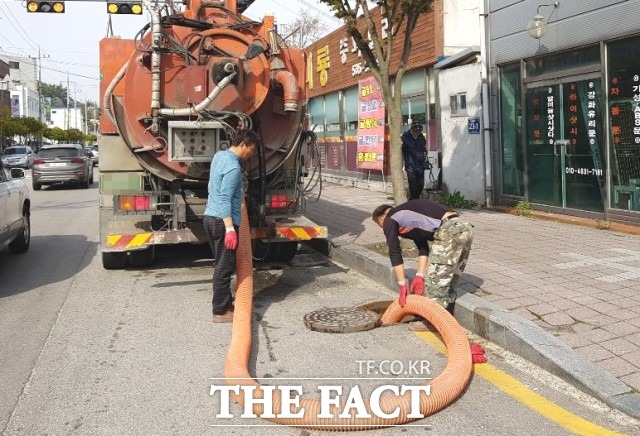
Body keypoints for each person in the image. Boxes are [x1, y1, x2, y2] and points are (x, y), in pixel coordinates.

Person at [372, 199, 474, 330]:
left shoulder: (390, 219)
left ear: (380, 219)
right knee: (450, 279)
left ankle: (431, 322)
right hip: (464, 226)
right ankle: (447, 318)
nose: (384, 228)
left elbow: (394, 252)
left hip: (448, 229)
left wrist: (402, 285)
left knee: (434, 282)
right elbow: (423, 247)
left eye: (381, 226)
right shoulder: (409, 215)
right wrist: (419, 276)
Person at [204, 129, 259, 323]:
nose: (251, 154)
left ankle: (226, 305)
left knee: (221, 263)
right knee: (224, 267)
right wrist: (229, 228)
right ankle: (220, 311)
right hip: (222, 221)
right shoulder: (234, 168)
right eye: (251, 149)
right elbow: (225, 198)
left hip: (210, 217)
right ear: (243, 143)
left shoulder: (219, 156)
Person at [401, 122, 428, 200]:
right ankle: (414, 201)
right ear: (411, 130)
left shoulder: (421, 137)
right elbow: (403, 150)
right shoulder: (405, 137)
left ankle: (413, 200)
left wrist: (425, 152)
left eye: (419, 131)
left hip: (420, 164)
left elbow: (423, 146)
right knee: (413, 185)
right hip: (410, 165)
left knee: (421, 184)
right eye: (416, 131)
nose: (417, 133)